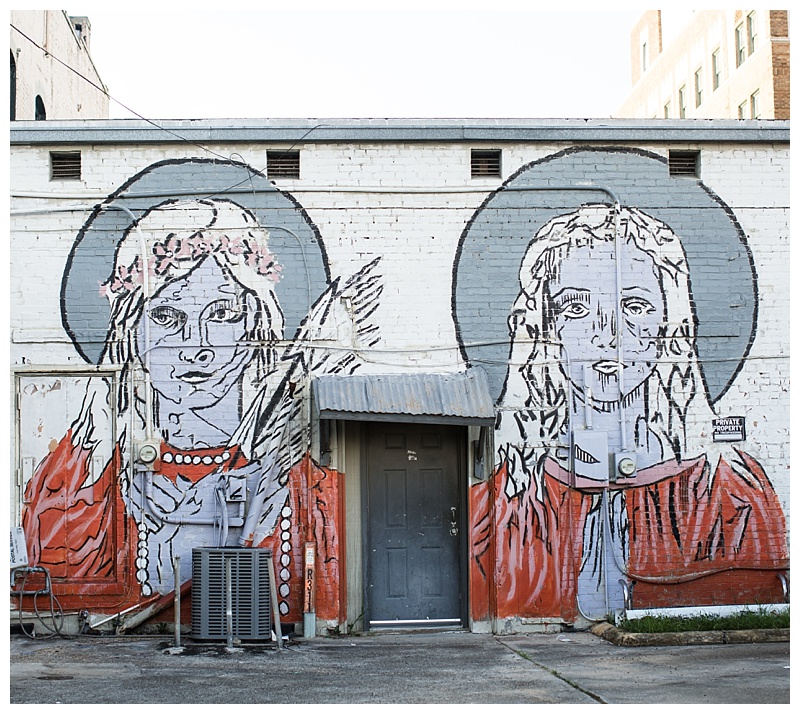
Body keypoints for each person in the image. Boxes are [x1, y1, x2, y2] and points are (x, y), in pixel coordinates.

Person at [22, 198, 382, 621]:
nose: (197, 346)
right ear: (130, 331)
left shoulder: (304, 479)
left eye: (223, 314)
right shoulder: (83, 482)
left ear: (257, 322)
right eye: (166, 316)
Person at [470, 204, 788, 620]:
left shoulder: (729, 493)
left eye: (634, 307)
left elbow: (760, 595)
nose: (609, 334)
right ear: (546, 328)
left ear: (668, 326)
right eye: (577, 308)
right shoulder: (507, 499)